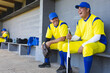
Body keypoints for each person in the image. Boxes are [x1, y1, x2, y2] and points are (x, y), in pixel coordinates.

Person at [62, 2, 107, 73]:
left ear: (87, 9)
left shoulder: (96, 20)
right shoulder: (79, 22)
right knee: (65, 46)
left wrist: (83, 45)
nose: (79, 10)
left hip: (99, 43)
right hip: (85, 42)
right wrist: (71, 38)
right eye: (78, 9)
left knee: (86, 48)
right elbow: (77, 36)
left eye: (81, 8)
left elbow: (97, 37)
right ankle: (69, 69)